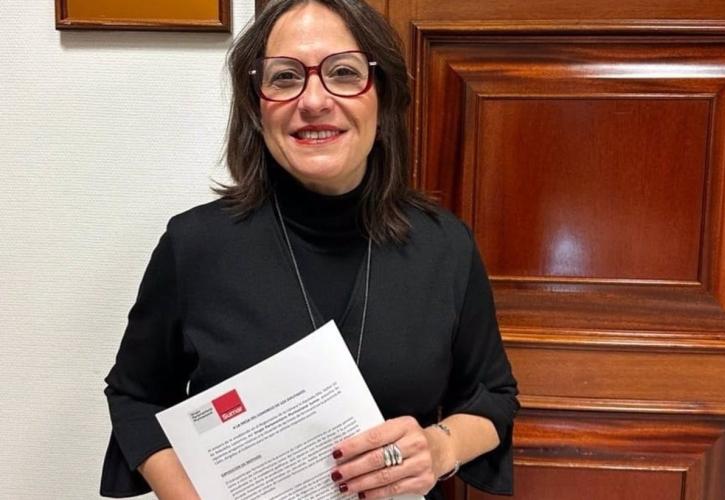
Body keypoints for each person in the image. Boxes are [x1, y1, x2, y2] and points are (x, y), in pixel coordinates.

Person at [100, 0, 519, 498]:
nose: (314, 101)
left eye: (343, 73)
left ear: (382, 98)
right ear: (256, 109)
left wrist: (440, 448)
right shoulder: (193, 246)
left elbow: (494, 395)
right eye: (285, 78)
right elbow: (135, 396)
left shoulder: (444, 246)